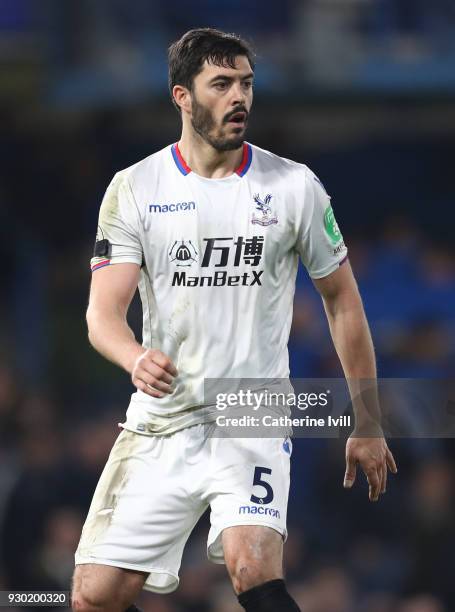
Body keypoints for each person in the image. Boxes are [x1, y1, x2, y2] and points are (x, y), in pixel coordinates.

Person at [71, 27, 397, 612]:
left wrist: (367, 420)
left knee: (251, 565)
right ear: (182, 97)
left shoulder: (294, 186)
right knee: (94, 598)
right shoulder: (136, 189)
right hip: (162, 419)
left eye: (246, 83)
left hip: (251, 406)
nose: (238, 97)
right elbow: (102, 314)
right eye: (220, 84)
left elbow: (342, 301)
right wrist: (133, 356)